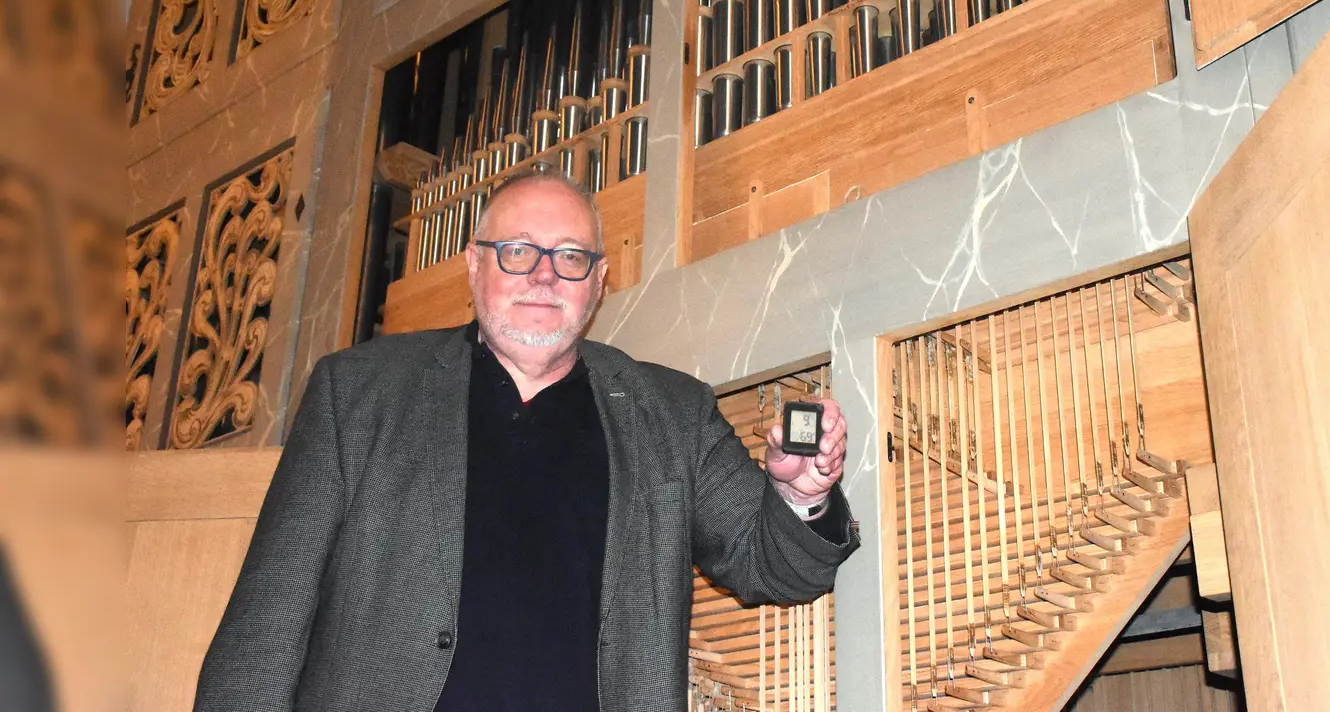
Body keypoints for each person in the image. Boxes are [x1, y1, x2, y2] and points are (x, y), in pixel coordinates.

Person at [195, 168, 858, 711]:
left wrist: (801, 497)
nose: (544, 276)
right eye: (517, 251)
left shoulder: (671, 411)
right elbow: (264, 629)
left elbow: (780, 567)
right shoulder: (359, 392)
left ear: (598, 283)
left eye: (570, 257)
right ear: (473, 267)